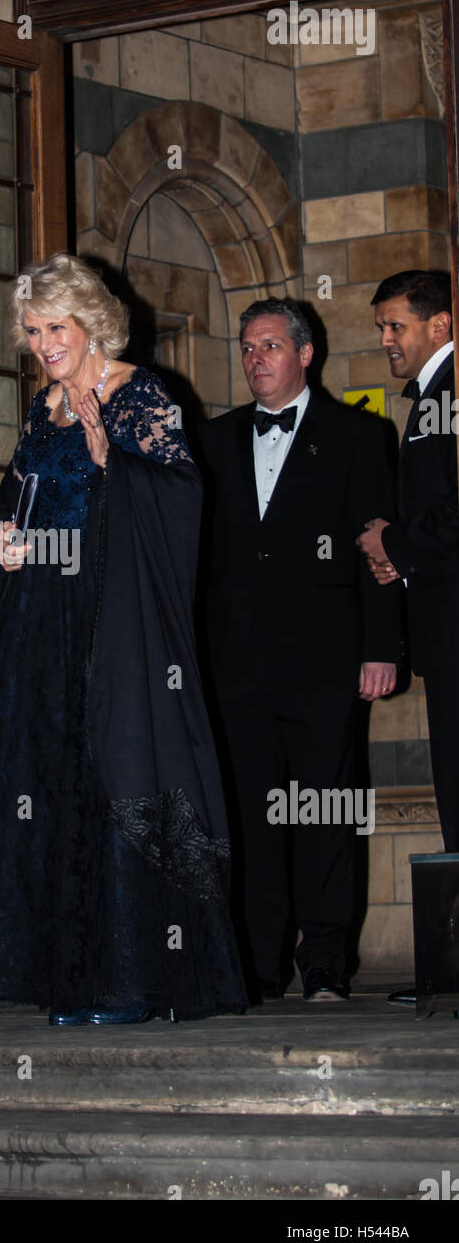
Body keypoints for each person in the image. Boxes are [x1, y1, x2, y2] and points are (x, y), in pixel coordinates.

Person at [0, 252, 247, 1025]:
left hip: (110, 628)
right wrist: (6, 546)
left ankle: (130, 979)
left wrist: (113, 465)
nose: (42, 342)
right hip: (39, 627)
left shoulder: (141, 396)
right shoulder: (44, 407)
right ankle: (65, 972)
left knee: (110, 784)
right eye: (32, 330)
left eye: (54, 326)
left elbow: (183, 501)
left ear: (91, 322)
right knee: (47, 790)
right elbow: (17, 508)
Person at [199, 298, 401, 1005]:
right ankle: (259, 967)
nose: (256, 358)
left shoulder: (357, 435)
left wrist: (382, 649)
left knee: (323, 815)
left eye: (271, 346)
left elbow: (376, 550)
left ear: (305, 354)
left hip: (326, 665)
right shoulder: (214, 440)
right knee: (253, 822)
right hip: (235, 669)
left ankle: (325, 967)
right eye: (249, 348)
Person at [356, 270, 459, 1007]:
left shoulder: (449, 391)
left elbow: (452, 512)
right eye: (382, 325)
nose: (384, 339)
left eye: (396, 325)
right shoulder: (429, 395)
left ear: (441, 325)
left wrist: (394, 541)